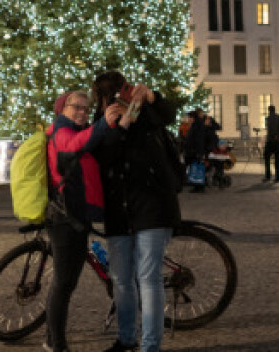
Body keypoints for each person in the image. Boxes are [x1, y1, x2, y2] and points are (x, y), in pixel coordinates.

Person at [90, 71, 180, 352]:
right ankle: (127, 338)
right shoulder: (101, 123)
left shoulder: (146, 113)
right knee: (121, 280)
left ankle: (150, 346)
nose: (116, 99)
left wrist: (151, 97)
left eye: (120, 91)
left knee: (148, 278)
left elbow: (168, 115)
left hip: (152, 205)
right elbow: (102, 159)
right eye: (109, 96)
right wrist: (117, 127)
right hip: (118, 210)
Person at [43, 90, 107, 352]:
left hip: (76, 216)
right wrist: (103, 124)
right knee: (64, 282)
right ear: (62, 108)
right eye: (76, 107)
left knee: (66, 281)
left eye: (85, 108)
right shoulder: (61, 131)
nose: (82, 112)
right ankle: (55, 344)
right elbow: (75, 144)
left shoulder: (73, 128)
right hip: (65, 219)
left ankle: (52, 337)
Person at [184, 109, 220, 192]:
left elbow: (199, 140)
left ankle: (199, 186)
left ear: (194, 118)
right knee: (196, 168)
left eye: (190, 118)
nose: (189, 119)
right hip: (194, 151)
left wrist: (199, 152)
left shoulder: (198, 126)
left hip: (197, 151)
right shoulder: (196, 125)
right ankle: (197, 186)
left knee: (198, 169)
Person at [263, 105, 279, 183]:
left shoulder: (268, 119)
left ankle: (268, 176)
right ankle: (278, 177)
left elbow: (269, 130)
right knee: (277, 160)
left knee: (266, 158)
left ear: (269, 110)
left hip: (270, 141)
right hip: (278, 141)